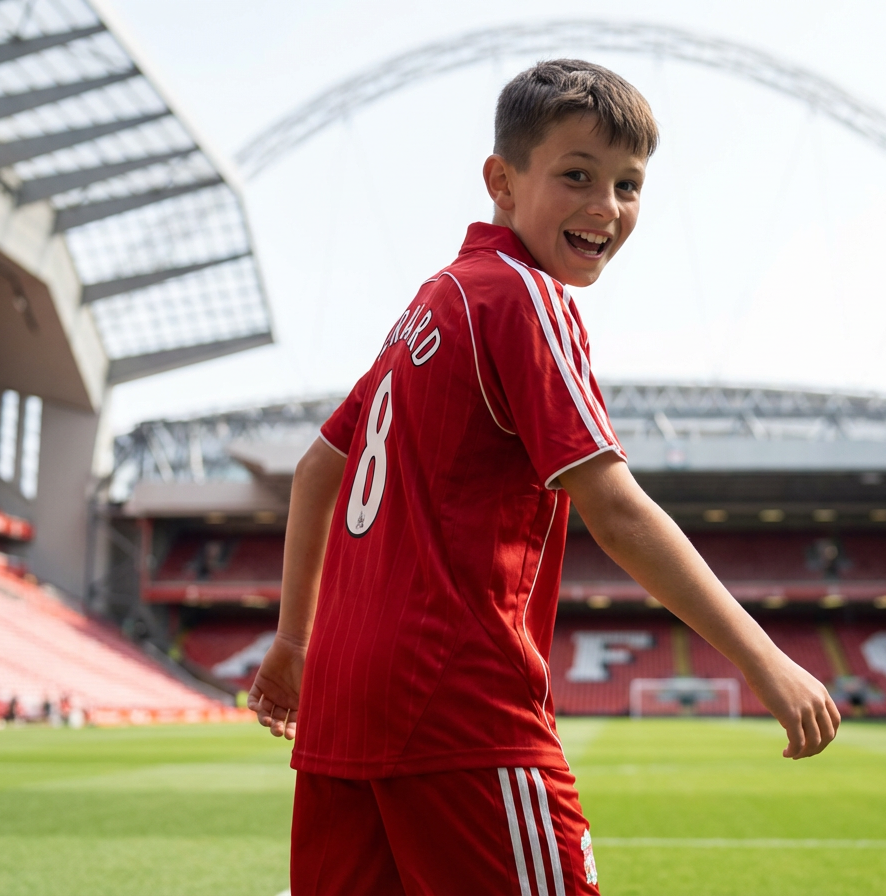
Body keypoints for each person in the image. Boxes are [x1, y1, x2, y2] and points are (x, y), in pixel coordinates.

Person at [248, 59, 839, 896]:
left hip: (346, 704)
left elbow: (316, 470)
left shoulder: (434, 302)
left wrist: (295, 642)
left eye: (629, 185)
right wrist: (765, 660)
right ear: (502, 179)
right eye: (577, 175)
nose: (607, 207)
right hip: (459, 702)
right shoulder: (526, 299)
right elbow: (616, 510)